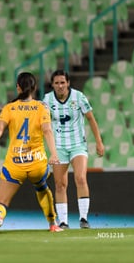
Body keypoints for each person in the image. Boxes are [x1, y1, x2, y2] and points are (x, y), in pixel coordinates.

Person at [0, 72, 63, 234]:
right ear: (34, 88)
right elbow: (47, 131)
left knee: (1, 201)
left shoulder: (9, 108)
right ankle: (53, 223)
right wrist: (54, 154)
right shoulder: (41, 107)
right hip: (37, 162)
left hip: (15, 163)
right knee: (42, 187)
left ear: (18, 88)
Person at [43, 70, 104, 229]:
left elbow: (91, 118)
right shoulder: (47, 100)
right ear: (52, 85)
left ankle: (83, 219)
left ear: (68, 83)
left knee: (81, 178)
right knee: (60, 184)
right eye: (56, 83)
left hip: (78, 145)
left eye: (63, 82)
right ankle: (63, 222)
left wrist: (99, 142)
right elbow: (42, 121)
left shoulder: (79, 97)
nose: (60, 86)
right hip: (59, 147)